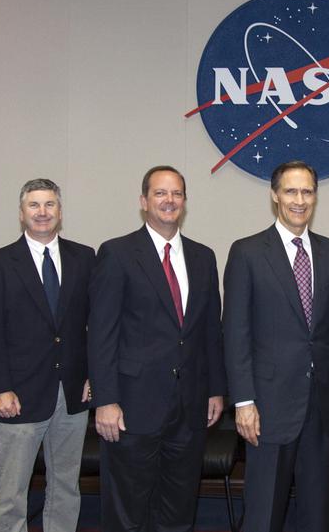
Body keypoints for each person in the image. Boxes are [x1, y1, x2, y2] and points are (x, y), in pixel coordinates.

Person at [88, 166, 227, 532]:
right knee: (127, 510)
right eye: (160, 193)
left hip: (190, 405)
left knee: (178, 506)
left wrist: (215, 389)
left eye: (176, 193)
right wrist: (105, 399)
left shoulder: (203, 257)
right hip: (131, 405)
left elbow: (211, 329)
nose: (169, 201)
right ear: (143, 201)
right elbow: (102, 333)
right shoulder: (117, 253)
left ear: (184, 201)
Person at [223, 160, 329, 532]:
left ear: (315, 196)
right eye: (291, 191)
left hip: (322, 406)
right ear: (274, 195)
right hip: (267, 407)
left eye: (307, 191)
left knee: (317, 515)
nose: (299, 200)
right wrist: (244, 401)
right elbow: (235, 333)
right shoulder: (247, 253)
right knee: (263, 514)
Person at [0, 178, 95, 532]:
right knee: (12, 493)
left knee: (66, 487)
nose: (42, 212)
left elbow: (94, 324)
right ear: (21, 213)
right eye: (34, 205)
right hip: (19, 394)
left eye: (49, 205)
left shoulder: (84, 257)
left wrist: (92, 376)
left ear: (60, 211)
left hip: (73, 392)